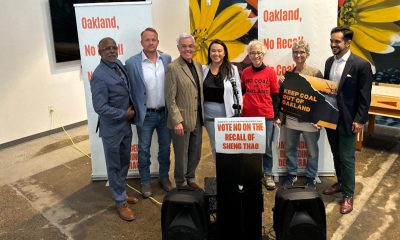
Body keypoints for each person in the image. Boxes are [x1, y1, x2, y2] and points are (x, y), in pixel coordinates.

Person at [322, 26, 372, 214]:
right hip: (330, 118)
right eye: (332, 40)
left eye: (337, 41)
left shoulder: (361, 65)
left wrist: (360, 120)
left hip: (349, 120)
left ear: (348, 42)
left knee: (347, 158)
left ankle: (348, 195)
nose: (333, 44)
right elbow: (327, 91)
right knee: (336, 154)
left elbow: (365, 96)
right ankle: (341, 183)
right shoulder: (329, 62)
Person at [90, 37, 139, 221]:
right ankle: (120, 202)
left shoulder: (118, 64)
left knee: (124, 162)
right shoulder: (99, 75)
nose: (111, 51)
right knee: (114, 165)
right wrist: (123, 114)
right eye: (106, 49)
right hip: (112, 129)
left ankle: (122, 191)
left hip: (125, 126)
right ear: (99, 52)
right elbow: (100, 107)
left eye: (113, 47)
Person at [126, 28, 172, 198]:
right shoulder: (132, 63)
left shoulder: (166, 59)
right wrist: (130, 108)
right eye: (147, 40)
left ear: (158, 42)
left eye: (153, 39)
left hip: (165, 113)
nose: (151, 42)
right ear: (141, 43)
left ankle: (164, 177)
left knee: (165, 148)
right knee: (144, 149)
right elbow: (127, 88)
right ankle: (145, 181)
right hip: (145, 115)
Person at [281, 40, 323, 189]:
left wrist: (320, 119)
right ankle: (291, 174)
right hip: (292, 120)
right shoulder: (289, 74)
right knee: (290, 148)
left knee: (312, 151)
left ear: (307, 54)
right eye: (296, 52)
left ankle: (311, 177)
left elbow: (322, 98)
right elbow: (285, 98)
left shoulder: (315, 72)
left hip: (310, 121)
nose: (298, 55)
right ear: (292, 55)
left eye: (302, 52)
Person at [165, 33, 204, 189]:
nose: (187, 49)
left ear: (194, 48)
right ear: (178, 48)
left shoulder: (198, 65)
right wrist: (176, 121)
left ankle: (191, 177)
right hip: (181, 121)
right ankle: (181, 182)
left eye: (190, 46)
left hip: (197, 118)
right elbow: (170, 98)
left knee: (195, 151)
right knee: (181, 155)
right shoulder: (173, 68)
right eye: (184, 46)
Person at [241, 40, 280, 190]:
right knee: (250, 147)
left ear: (263, 54)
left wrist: (276, 115)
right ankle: (252, 174)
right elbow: (243, 91)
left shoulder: (270, 72)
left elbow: (275, 95)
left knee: (266, 148)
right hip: (249, 116)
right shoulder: (245, 72)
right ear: (249, 55)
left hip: (267, 116)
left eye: (259, 53)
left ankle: (268, 174)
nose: (256, 55)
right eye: (252, 53)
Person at [202, 39, 243, 160]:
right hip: (209, 116)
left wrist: (239, 110)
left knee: (228, 146)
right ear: (209, 53)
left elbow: (238, 91)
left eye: (219, 51)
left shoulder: (232, 69)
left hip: (227, 115)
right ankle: (219, 175)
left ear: (224, 53)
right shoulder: (203, 69)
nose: (216, 54)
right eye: (213, 51)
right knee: (215, 146)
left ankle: (228, 174)